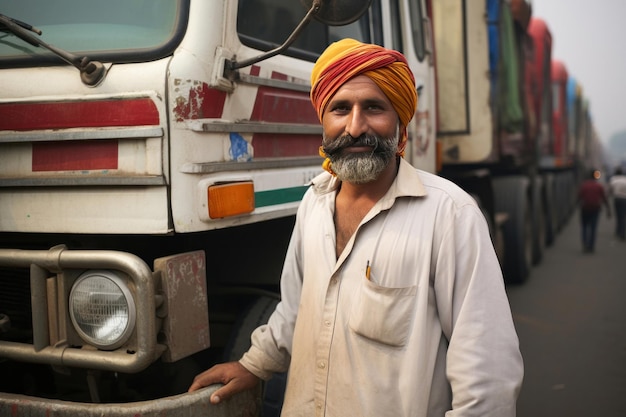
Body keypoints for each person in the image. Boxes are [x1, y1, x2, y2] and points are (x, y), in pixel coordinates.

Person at [189, 38, 524, 416]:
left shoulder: (450, 215)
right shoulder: (313, 204)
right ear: (323, 120)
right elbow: (296, 309)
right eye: (341, 109)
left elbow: (487, 372)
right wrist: (254, 365)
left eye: (374, 108)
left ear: (399, 120)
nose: (355, 126)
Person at [578, 169, 611, 252]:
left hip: (585, 209)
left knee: (584, 227)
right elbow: (604, 198)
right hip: (595, 209)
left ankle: (585, 245)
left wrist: (580, 205)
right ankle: (591, 247)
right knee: (593, 228)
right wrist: (608, 209)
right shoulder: (599, 186)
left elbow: (579, 196)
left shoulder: (584, 185)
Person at [609, 167, 626, 240]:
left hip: (617, 199)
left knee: (618, 215)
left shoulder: (613, 179)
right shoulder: (625, 179)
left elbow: (610, 189)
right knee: (623, 216)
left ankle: (619, 231)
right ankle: (621, 231)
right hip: (624, 199)